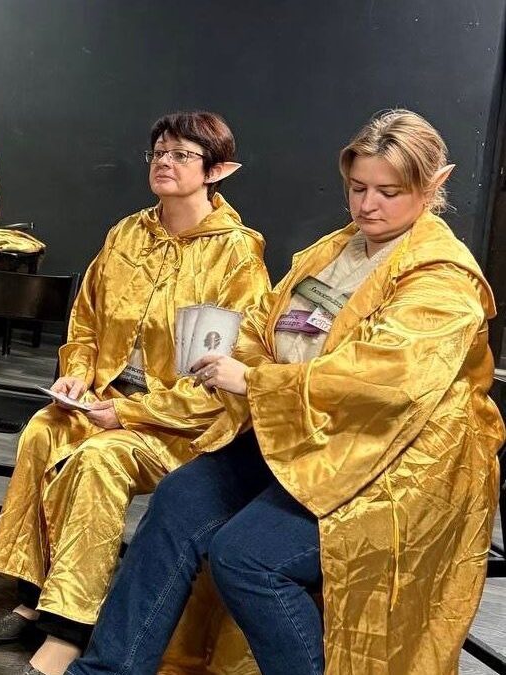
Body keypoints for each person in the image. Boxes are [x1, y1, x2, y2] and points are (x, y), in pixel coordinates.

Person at [68, 109, 505, 675]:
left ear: (433, 185)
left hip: (392, 462)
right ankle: (106, 670)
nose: (367, 205)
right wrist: (243, 364)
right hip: (303, 435)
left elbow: (383, 380)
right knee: (179, 500)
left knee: (248, 558)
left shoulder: (442, 278)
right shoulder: (337, 250)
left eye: (388, 192)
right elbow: (263, 323)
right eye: (358, 188)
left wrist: (255, 381)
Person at [0, 111, 270, 675]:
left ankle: (69, 627)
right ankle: (32, 595)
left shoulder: (236, 255)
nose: (164, 162)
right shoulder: (127, 234)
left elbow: (222, 377)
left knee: (99, 460)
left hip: (178, 422)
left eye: (182, 154)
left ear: (217, 171)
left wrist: (130, 413)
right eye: (159, 151)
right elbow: (87, 321)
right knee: (43, 432)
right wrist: (78, 375)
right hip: (105, 400)